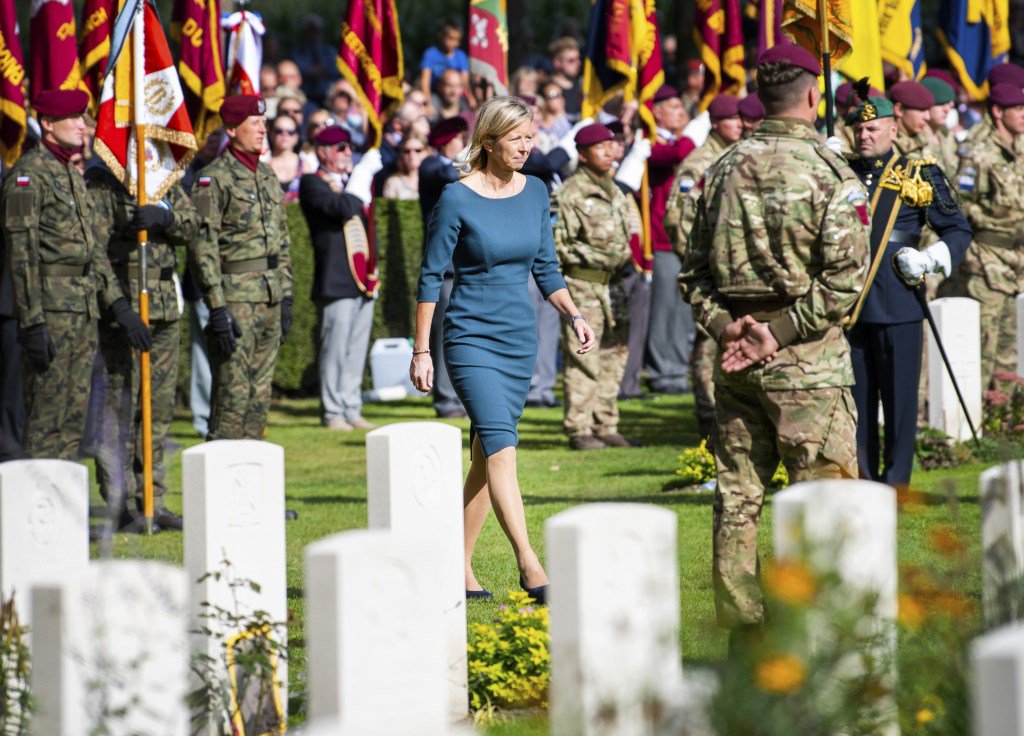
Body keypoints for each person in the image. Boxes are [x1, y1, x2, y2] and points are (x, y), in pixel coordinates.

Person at [679, 46, 870, 642]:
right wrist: (776, 333)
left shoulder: (720, 168)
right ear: (814, 96)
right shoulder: (831, 172)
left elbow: (693, 275)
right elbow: (846, 280)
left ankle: (745, 634)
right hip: (807, 366)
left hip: (737, 361)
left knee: (737, 502)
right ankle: (822, 631)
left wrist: (728, 327)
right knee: (826, 502)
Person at [412, 96, 596, 602]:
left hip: (519, 340)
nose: (525, 146)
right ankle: (530, 563)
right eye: (515, 138)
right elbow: (430, 276)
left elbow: (546, 267)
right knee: (503, 448)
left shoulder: (537, 191)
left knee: (484, 453)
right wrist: (421, 351)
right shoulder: (456, 197)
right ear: (488, 142)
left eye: (530, 137)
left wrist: (575, 315)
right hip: (470, 338)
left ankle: (457, 567)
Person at [1, 90, 145, 460]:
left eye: (84, 117)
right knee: (45, 421)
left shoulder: (70, 174)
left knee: (73, 421)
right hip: (50, 313)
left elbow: (93, 252)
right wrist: (32, 322)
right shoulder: (28, 175)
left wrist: (118, 307)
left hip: (82, 312)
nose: (84, 125)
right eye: (74, 118)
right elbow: (22, 255)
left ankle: (62, 515)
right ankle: (37, 513)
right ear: (47, 124)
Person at [843, 95, 971, 488]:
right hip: (849, 303)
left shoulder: (919, 172)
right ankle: (863, 478)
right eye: (859, 129)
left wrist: (930, 258)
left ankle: (896, 482)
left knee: (899, 402)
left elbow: (957, 229)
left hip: (898, 300)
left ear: (893, 130)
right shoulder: (840, 170)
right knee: (856, 403)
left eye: (873, 128)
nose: (864, 136)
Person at [86, 165, 200, 532]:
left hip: (164, 305)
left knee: (157, 409)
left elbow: (194, 225)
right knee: (119, 407)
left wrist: (164, 216)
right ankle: (120, 503)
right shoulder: (103, 185)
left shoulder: (161, 176)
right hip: (125, 305)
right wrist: (118, 307)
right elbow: (95, 251)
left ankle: (153, 500)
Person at [189, 95, 294, 440]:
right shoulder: (212, 179)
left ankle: (251, 476)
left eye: (264, 122)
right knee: (232, 393)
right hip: (235, 298)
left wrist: (287, 294)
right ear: (233, 129)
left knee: (260, 394)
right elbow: (202, 245)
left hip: (269, 295)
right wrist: (216, 307)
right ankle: (221, 469)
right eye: (256, 123)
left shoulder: (265, 176)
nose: (264, 129)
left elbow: (282, 241)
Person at [665, 93, 744, 445]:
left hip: (732, 271)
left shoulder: (735, 157)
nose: (740, 124)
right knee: (709, 343)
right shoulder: (700, 164)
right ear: (716, 123)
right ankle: (708, 415)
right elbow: (677, 218)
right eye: (732, 119)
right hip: (710, 272)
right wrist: (701, 261)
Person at [553, 123, 633, 450]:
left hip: (613, 286)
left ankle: (606, 423)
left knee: (614, 353)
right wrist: (599, 255)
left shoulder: (616, 190)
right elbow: (559, 244)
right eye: (600, 148)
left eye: (611, 146)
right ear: (583, 155)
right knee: (584, 356)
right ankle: (579, 428)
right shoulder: (570, 193)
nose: (609, 152)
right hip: (583, 285)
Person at [938, 83, 1024, 390]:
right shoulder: (978, 152)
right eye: (1018, 109)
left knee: (1008, 342)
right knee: (982, 345)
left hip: (1015, 261)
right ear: (998, 112)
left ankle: (999, 415)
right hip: (986, 260)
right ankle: (974, 416)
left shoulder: (1019, 148)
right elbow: (960, 205)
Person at [299, 127, 382, 431]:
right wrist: (361, 178)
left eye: (350, 148)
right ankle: (333, 410)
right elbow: (342, 208)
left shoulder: (352, 184)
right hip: (335, 280)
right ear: (322, 152)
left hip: (362, 278)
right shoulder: (312, 183)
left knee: (356, 349)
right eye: (340, 148)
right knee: (334, 350)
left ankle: (351, 406)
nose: (348, 153)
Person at [644, 85, 705, 394]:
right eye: (675, 109)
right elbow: (678, 154)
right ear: (657, 113)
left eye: (683, 109)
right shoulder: (653, 142)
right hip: (663, 237)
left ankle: (678, 369)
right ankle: (660, 370)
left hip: (689, 236)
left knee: (683, 308)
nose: (682, 114)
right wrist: (694, 132)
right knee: (664, 308)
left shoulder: (687, 142)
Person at [419, 116, 469, 419]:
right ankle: (446, 397)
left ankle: (461, 395)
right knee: (444, 334)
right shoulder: (430, 166)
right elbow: (446, 172)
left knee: (463, 333)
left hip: (464, 264)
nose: (462, 145)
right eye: (459, 139)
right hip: (446, 265)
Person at [419, 19, 474, 108]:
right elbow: (425, 82)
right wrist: (427, 102)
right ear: (441, 35)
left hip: (455, 96)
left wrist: (470, 99)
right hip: (435, 95)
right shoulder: (430, 54)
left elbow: (465, 82)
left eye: (457, 40)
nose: (454, 43)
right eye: (451, 38)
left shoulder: (461, 56)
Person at [889, 81, 941, 162]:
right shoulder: (886, 144)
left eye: (928, 110)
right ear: (899, 110)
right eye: (921, 110)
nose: (927, 117)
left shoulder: (926, 136)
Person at [920, 77, 960, 176]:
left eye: (948, 104)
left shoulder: (947, 135)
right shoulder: (915, 139)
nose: (946, 109)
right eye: (940, 104)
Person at [266, 114, 304, 201]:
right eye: (279, 131)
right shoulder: (263, 167)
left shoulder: (306, 167)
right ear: (271, 134)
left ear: (296, 136)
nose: (284, 134)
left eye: (290, 132)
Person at [383, 131, 426, 200]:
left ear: (426, 152)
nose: (412, 155)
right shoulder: (393, 182)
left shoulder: (435, 180)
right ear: (402, 155)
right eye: (407, 151)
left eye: (418, 150)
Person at [547, 38, 583, 117]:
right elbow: (557, 112)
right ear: (557, 63)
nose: (578, 63)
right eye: (571, 60)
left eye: (578, 59)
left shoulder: (581, 84)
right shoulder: (551, 90)